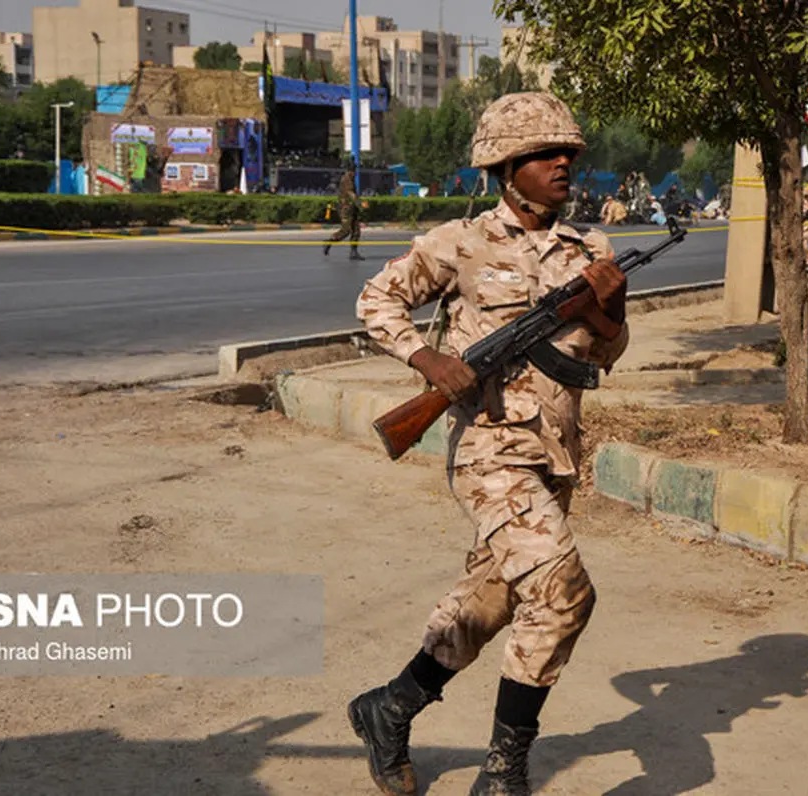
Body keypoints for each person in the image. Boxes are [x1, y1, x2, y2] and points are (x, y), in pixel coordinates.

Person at [350, 91, 629, 796]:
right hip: (488, 451)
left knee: (490, 602)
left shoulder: (590, 251)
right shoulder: (460, 242)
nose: (562, 163)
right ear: (507, 169)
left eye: (567, 153)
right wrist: (427, 359)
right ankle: (504, 772)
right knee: (563, 594)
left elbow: (603, 356)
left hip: (555, 454)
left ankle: (390, 707)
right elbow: (377, 299)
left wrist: (612, 309)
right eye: (544, 154)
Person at [323, 160, 364, 260]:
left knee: (356, 231)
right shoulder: (346, 179)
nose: (355, 173)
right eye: (354, 170)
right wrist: (360, 203)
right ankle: (329, 241)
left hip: (352, 208)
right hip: (345, 209)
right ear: (351, 170)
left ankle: (353, 252)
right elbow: (350, 193)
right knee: (346, 230)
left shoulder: (350, 178)